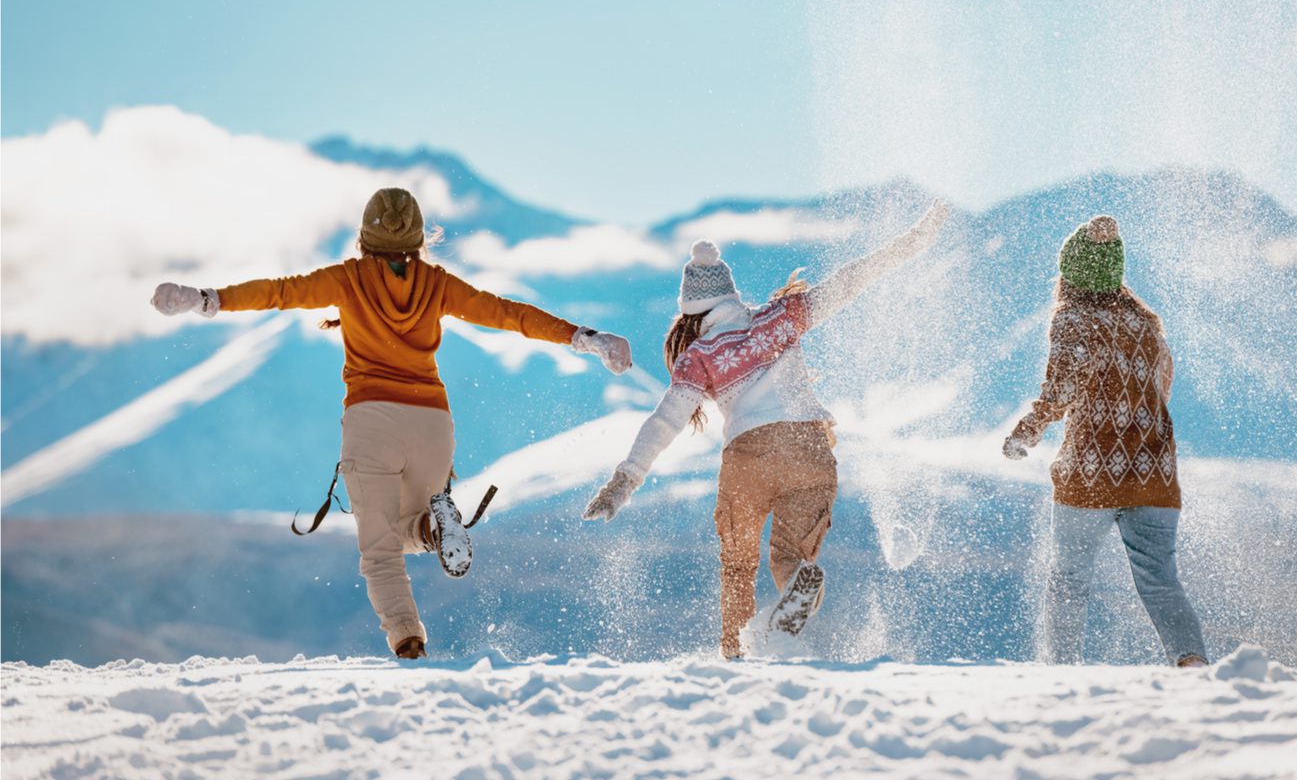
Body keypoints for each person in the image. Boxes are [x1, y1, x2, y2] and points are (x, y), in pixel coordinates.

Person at [151, 187, 632, 659]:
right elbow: (506, 314)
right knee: (409, 532)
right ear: (420, 240)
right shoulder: (438, 283)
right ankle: (436, 529)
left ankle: (409, 642)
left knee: (379, 549)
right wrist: (584, 337)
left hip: (372, 422)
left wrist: (206, 298)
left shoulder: (346, 278)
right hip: (433, 425)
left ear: (363, 239)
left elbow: (280, 293)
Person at [583, 202, 950, 659]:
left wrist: (625, 480)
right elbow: (850, 281)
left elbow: (667, 418)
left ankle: (736, 656)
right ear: (730, 295)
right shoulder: (781, 317)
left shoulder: (699, 355)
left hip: (748, 457)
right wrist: (913, 241)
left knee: (738, 566)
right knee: (791, 555)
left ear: (691, 313)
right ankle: (797, 583)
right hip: (810, 448)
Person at [1002, 215, 1208, 668]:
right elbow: (1161, 391)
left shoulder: (1073, 320)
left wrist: (1026, 433)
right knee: (1160, 582)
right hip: (1156, 475)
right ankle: (1193, 666)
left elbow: (1061, 391)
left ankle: (1062, 675)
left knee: (1068, 582)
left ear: (1071, 274)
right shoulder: (1148, 328)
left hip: (1090, 474)